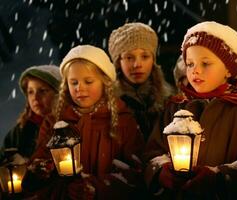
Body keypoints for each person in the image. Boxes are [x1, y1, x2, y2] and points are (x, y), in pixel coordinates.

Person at [143, 21, 237, 199]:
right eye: (190, 64)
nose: (195, 71)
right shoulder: (175, 106)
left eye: (205, 63)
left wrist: (218, 178)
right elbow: (152, 153)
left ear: (228, 69)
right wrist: (161, 171)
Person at [23, 45, 145, 199]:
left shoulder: (123, 121)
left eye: (88, 81)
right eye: (74, 82)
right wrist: (39, 171)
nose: (79, 88)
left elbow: (135, 172)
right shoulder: (55, 122)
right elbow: (39, 161)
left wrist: (96, 187)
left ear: (104, 83)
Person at [108, 22, 173, 141]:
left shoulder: (168, 101)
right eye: (129, 57)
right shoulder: (107, 103)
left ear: (153, 60)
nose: (137, 65)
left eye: (145, 57)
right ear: (118, 62)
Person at [0, 65, 61, 163]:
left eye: (42, 91)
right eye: (30, 92)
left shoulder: (68, 126)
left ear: (58, 94)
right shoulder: (19, 131)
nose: (35, 97)